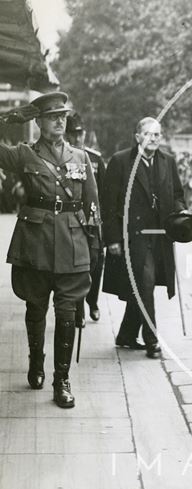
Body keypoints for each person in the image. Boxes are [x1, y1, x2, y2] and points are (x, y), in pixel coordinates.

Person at [0, 92, 100, 408]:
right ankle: (36, 360)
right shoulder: (25, 155)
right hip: (36, 243)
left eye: (63, 115)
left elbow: (92, 203)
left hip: (72, 243)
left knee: (68, 313)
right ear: (39, 121)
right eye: (53, 116)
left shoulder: (81, 157)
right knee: (36, 307)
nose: (60, 120)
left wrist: (96, 243)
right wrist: (7, 119)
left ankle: (62, 380)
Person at [102, 117, 186, 358]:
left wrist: (181, 209)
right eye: (149, 134)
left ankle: (126, 335)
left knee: (142, 285)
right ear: (137, 137)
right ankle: (152, 339)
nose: (154, 138)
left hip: (160, 236)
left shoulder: (167, 162)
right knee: (146, 283)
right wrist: (112, 239)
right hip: (133, 236)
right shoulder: (120, 161)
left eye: (158, 134)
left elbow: (178, 194)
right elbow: (108, 204)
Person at [66, 111, 106, 327]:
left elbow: (105, 196)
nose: (77, 138)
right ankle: (78, 309)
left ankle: (93, 302)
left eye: (79, 133)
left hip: (93, 222)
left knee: (97, 264)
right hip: (72, 222)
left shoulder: (95, 158)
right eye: (72, 134)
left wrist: (105, 228)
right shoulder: (63, 158)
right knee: (78, 266)